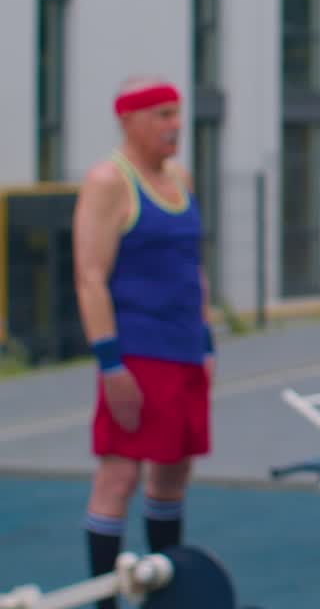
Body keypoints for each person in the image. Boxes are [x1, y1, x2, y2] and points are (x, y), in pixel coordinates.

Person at [72, 76, 215, 609]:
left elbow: (193, 267)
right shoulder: (109, 181)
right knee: (120, 472)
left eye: (176, 113)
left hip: (184, 352)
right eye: (160, 114)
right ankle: (103, 599)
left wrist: (206, 344)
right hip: (136, 353)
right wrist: (111, 365)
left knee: (174, 470)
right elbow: (90, 277)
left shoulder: (180, 178)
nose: (174, 125)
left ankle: (164, 589)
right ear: (128, 121)